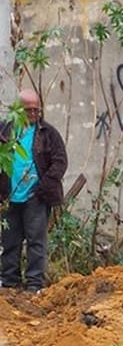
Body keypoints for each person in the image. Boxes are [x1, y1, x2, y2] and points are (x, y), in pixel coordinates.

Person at [0, 89, 68, 293]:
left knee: (36, 241)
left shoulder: (48, 133)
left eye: (36, 110)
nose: (32, 114)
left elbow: (60, 162)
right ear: (17, 110)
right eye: (28, 110)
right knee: (10, 240)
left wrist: (42, 187)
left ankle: (34, 284)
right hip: (9, 195)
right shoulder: (4, 130)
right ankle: (9, 281)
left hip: (36, 197)